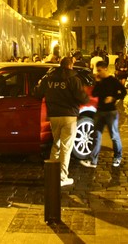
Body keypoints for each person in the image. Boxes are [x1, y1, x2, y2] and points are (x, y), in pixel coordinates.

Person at [35, 56, 89, 186]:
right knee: (66, 147)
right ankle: (62, 177)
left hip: (54, 116)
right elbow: (82, 98)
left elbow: (37, 92)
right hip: (69, 116)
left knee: (56, 144)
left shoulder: (49, 79)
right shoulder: (73, 79)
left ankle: (52, 175)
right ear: (70, 66)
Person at [80, 61, 127, 169]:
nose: (98, 72)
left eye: (100, 70)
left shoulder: (113, 81)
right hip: (100, 111)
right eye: (98, 70)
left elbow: (123, 92)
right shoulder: (100, 81)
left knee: (114, 136)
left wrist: (113, 98)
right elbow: (94, 93)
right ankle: (93, 161)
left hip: (111, 112)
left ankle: (117, 157)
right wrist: (97, 82)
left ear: (105, 69)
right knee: (96, 136)